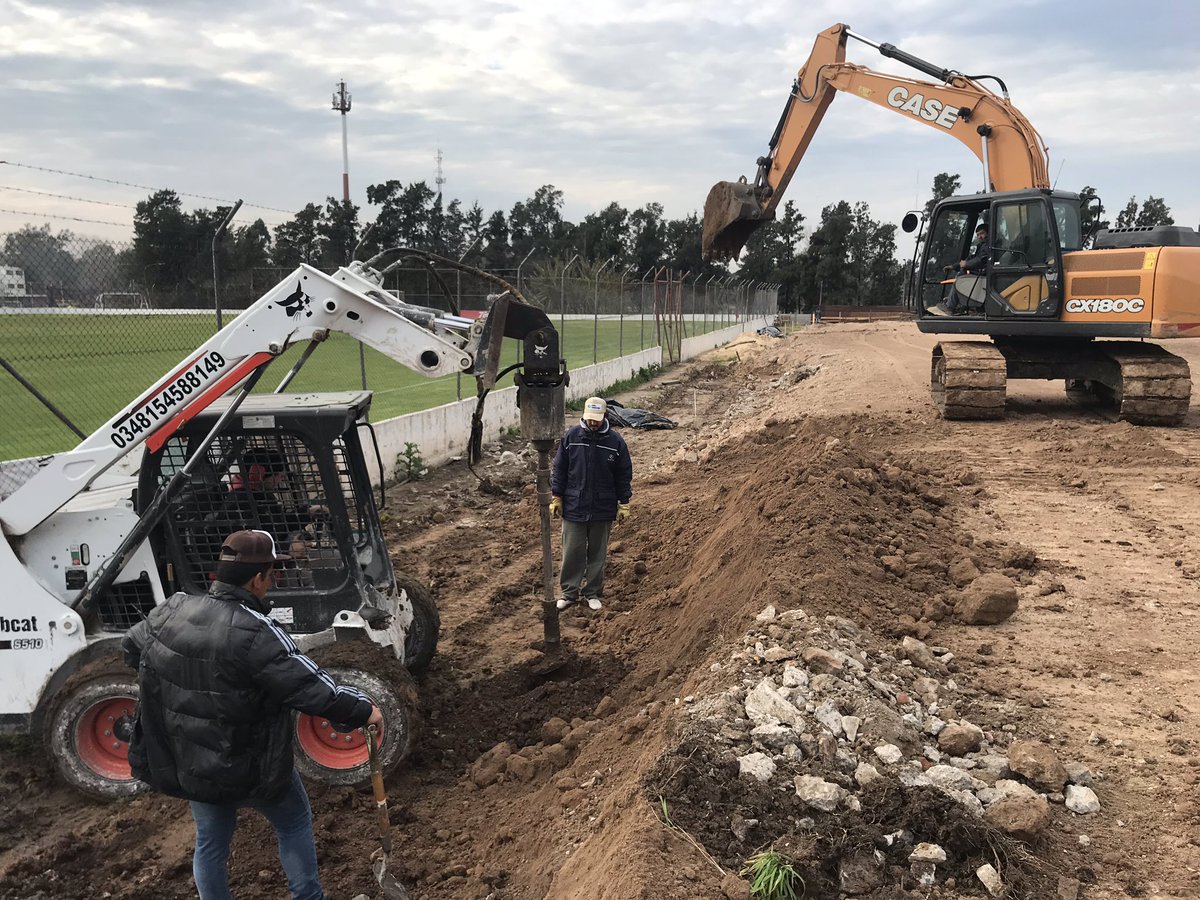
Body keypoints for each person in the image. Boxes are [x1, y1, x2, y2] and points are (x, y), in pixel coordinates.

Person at [122, 529, 383, 900]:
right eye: (270, 575)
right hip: (250, 762)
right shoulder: (256, 632)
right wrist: (364, 710)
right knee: (293, 821)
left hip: (194, 759)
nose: (270, 583)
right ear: (258, 578)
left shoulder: (172, 609)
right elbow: (311, 688)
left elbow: (131, 649)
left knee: (211, 842)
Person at [549, 397, 633, 611]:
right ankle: (569, 592)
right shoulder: (571, 437)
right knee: (572, 551)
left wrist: (624, 502)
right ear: (584, 416)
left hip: (602, 506)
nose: (593, 423)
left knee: (597, 553)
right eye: (589, 419)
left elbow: (623, 475)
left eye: (597, 419)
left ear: (604, 416)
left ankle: (592, 592)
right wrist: (557, 496)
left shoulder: (615, 443)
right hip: (574, 505)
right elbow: (559, 469)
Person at [929, 222, 989, 316]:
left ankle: (950, 306)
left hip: (984, 275)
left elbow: (980, 260)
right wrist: (955, 266)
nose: (980, 237)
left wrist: (966, 264)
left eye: (982, 233)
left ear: (988, 233)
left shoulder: (988, 245)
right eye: (978, 235)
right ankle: (957, 303)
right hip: (982, 273)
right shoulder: (982, 246)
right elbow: (972, 258)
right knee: (962, 273)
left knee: (960, 278)